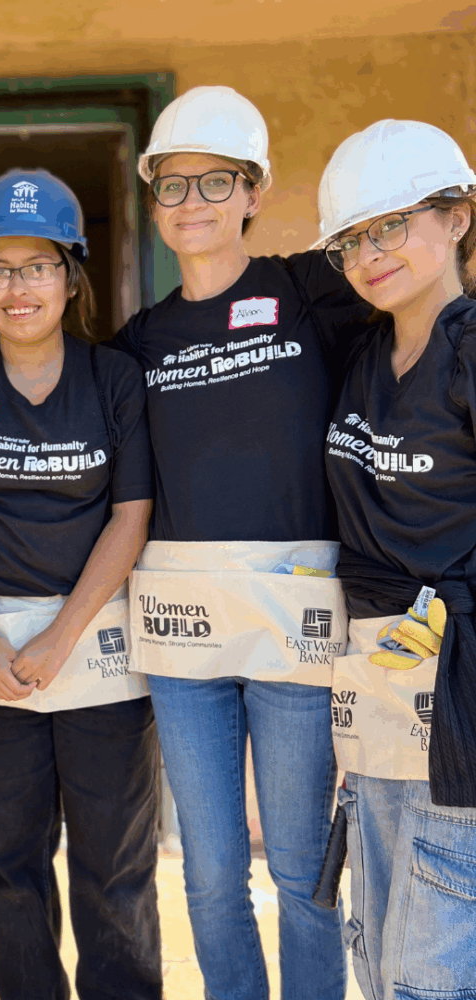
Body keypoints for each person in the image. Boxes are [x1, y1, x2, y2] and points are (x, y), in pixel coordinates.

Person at [108, 86, 372, 1000]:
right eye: (173, 187)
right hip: (184, 640)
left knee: (302, 872)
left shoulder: (311, 295)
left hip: (295, 632)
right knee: (212, 875)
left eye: (215, 182)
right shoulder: (139, 343)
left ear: (254, 191)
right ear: (153, 204)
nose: (193, 204)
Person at [0, 168, 161, 1000]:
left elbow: (129, 516)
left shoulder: (112, 380)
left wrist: (61, 636)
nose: (17, 287)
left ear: (71, 278)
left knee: (115, 864)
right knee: (11, 865)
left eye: (37, 266)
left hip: (96, 652)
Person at [318, 118, 476, 1000]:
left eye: (394, 224)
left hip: (458, 712)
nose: (371, 253)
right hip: (377, 698)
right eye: (352, 239)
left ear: (459, 217)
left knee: (433, 972)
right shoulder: (366, 357)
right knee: (377, 962)